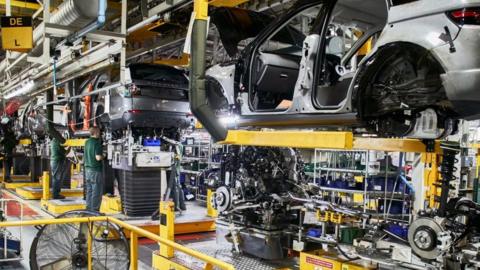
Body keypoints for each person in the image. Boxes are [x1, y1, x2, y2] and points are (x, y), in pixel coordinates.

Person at [84, 127, 104, 211]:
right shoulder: (97, 143)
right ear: (96, 133)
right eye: (99, 132)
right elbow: (98, 158)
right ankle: (95, 211)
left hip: (87, 170)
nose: (100, 134)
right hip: (95, 170)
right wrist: (104, 156)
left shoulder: (87, 142)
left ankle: (88, 209)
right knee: (96, 191)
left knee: (89, 191)